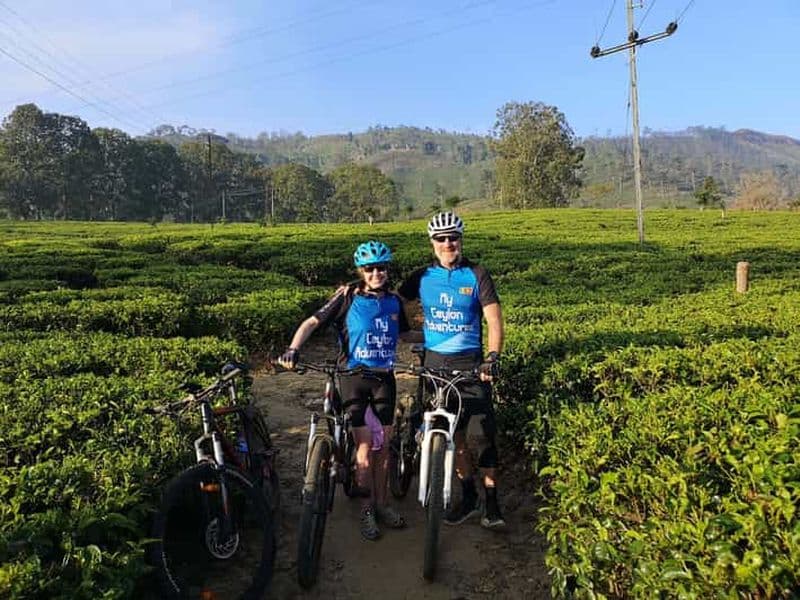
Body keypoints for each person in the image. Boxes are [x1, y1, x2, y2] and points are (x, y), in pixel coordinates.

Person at [278, 240, 410, 541]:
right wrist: (293, 349)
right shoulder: (347, 297)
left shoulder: (394, 301)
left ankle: (382, 504)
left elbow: (405, 333)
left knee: (385, 449)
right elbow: (312, 322)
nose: (376, 273)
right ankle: (366, 510)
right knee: (365, 449)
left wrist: (439, 338)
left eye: (382, 267)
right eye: (370, 268)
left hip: (384, 379)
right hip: (353, 377)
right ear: (360, 270)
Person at [398, 212, 506, 529]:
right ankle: (469, 495)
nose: (448, 243)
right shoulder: (422, 276)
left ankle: (492, 503)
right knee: (453, 436)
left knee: (481, 436)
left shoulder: (477, 274)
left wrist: (492, 356)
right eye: (441, 239)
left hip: (470, 365)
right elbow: (393, 300)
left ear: (461, 240)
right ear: (432, 243)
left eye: (453, 238)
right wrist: (406, 331)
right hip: (434, 365)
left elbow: (494, 320)